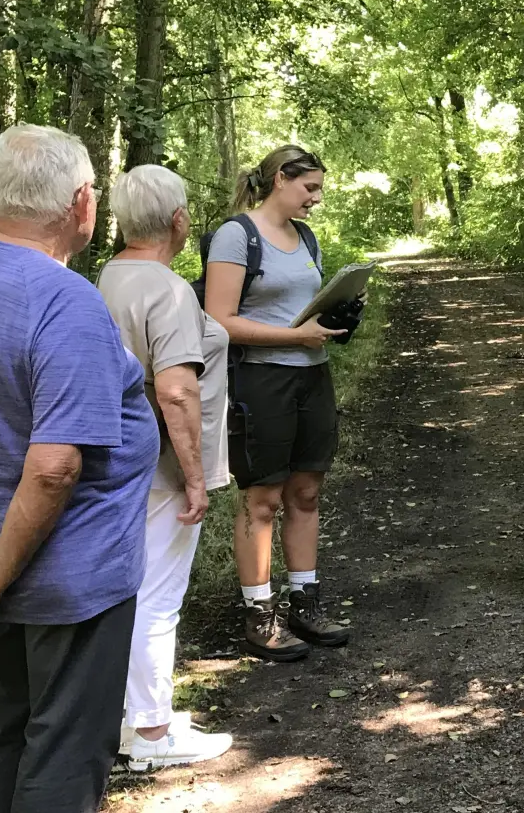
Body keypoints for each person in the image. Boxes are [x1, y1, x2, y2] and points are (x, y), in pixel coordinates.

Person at [0, 124, 157, 812]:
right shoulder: (64, 299)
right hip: (65, 574)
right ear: (82, 202)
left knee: (6, 730)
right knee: (65, 751)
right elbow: (55, 467)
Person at [98, 164, 236, 769]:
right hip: (162, 467)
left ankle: (135, 715)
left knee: (132, 589)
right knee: (157, 594)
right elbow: (176, 391)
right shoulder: (169, 288)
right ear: (179, 220)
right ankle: (152, 734)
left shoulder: (108, 275)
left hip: (115, 459)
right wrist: (196, 477)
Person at [204, 145, 350, 662]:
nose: (317, 198)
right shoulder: (236, 235)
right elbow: (218, 320)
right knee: (262, 497)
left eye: (319, 189)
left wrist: (339, 315)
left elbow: (303, 308)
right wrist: (294, 338)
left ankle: (304, 603)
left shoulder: (305, 236)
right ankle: (260, 614)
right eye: (310, 187)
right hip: (260, 380)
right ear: (281, 179)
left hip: (312, 377)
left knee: (306, 492)